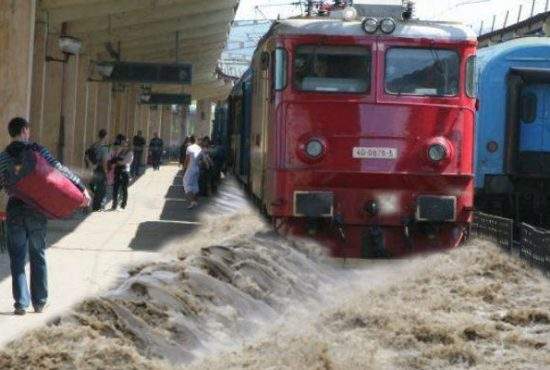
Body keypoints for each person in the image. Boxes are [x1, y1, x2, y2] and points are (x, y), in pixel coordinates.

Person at [0, 117, 90, 315]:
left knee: (16, 257)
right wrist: (81, 189)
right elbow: (60, 170)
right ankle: (39, 302)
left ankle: (21, 303)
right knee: (37, 254)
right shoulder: (38, 151)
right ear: (25, 130)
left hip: (15, 208)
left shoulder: (3, 157)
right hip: (36, 210)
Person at [111, 135, 133, 210]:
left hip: (124, 172)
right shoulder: (120, 151)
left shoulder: (130, 153)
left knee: (124, 189)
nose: (123, 144)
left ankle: (123, 204)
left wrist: (116, 161)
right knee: (115, 188)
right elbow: (114, 158)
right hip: (117, 171)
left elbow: (124, 163)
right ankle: (114, 203)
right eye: (122, 142)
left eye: (125, 142)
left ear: (128, 144)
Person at [91, 129, 110, 211]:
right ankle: (99, 206)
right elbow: (104, 161)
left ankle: (95, 205)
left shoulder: (94, 145)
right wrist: (106, 171)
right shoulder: (104, 147)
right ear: (105, 136)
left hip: (94, 168)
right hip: (101, 168)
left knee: (95, 187)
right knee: (102, 188)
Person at [182, 136, 201, 209]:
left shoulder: (189, 148)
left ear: (190, 141)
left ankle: (192, 201)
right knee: (195, 184)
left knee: (186, 184)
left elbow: (187, 160)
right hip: (197, 168)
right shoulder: (199, 148)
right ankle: (195, 201)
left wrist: (184, 169)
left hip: (191, 168)